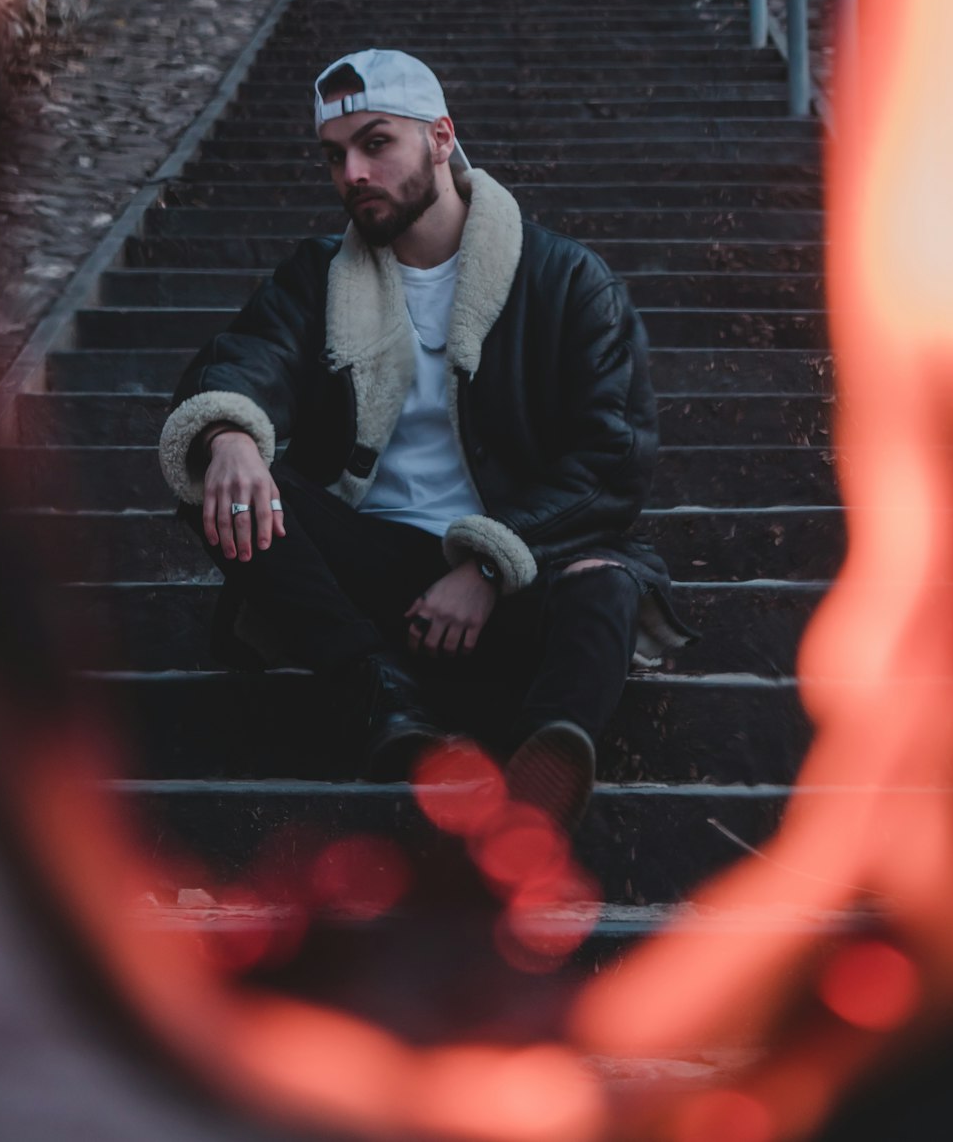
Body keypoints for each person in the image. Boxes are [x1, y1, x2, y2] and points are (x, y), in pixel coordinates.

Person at [158, 49, 694, 832]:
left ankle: (544, 757)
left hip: (518, 575)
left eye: (377, 143)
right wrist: (231, 431)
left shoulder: (567, 281)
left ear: (441, 138)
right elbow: (249, 358)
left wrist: (488, 560)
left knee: (608, 578)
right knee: (230, 480)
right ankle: (380, 700)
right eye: (335, 155)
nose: (354, 172)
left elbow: (609, 462)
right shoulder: (316, 277)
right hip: (371, 578)